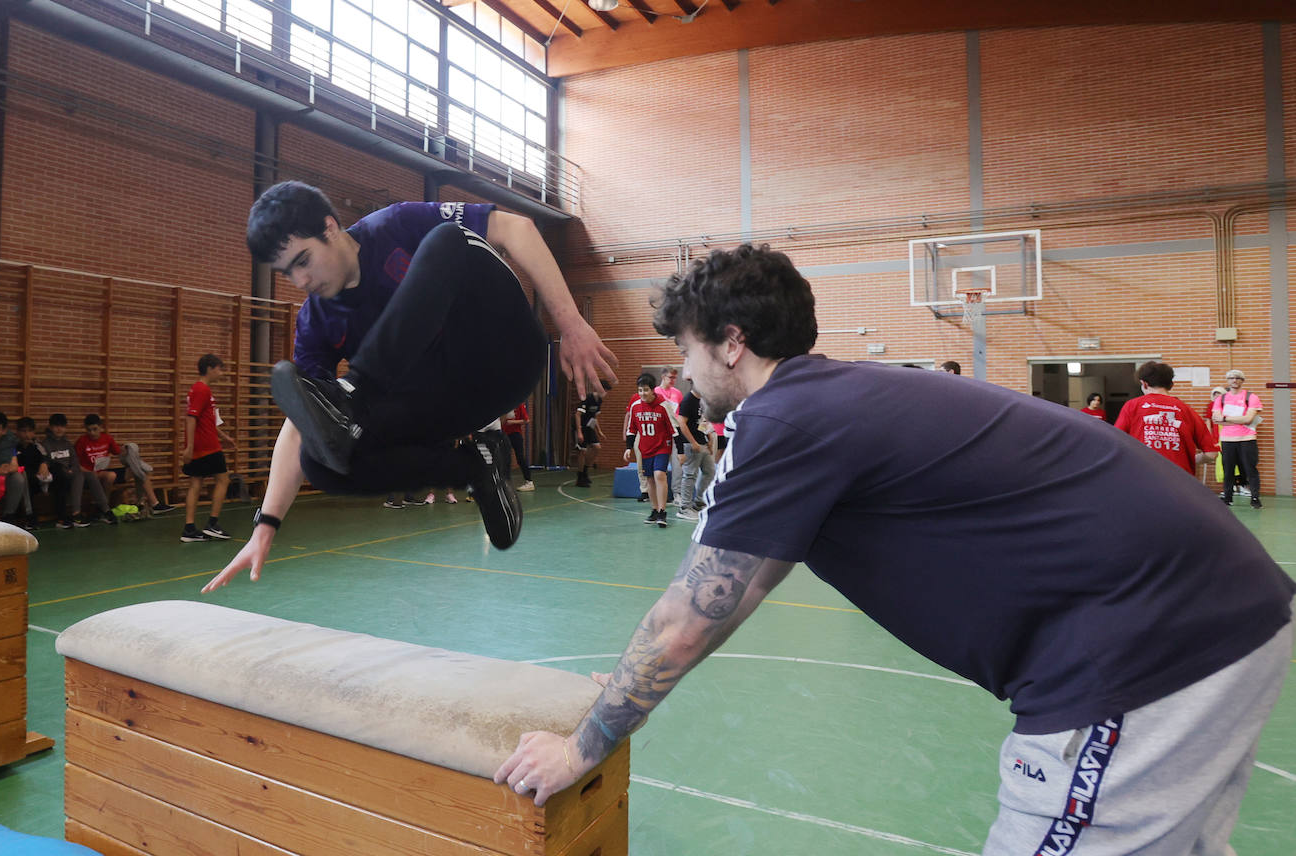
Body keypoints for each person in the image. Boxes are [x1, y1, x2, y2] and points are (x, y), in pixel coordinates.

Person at [493, 244, 1295, 856]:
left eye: (689, 348)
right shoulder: (830, 404)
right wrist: (624, 688)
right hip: (1222, 611)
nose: (684, 368)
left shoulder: (783, 421)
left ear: (731, 343)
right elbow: (735, 590)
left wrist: (584, 743)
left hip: (1147, 647)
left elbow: (687, 619)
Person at [201, 182, 616, 593]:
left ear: (330, 227)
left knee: (446, 238)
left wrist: (571, 324)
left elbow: (517, 228)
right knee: (319, 461)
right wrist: (266, 526)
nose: (299, 280)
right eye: (287, 271)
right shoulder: (315, 322)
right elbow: (302, 420)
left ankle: (355, 395)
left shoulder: (394, 226)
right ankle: (476, 468)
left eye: (303, 260)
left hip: (504, 354)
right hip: (449, 402)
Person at [1113, 362, 1217, 475]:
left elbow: (1115, 442)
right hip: (1179, 479)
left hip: (1142, 475)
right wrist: (1188, 461)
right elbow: (1211, 454)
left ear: (1144, 384)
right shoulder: (1186, 410)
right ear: (1171, 385)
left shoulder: (1132, 406)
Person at [181, 354, 237, 542]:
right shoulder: (202, 389)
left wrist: (224, 436)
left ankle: (189, 529)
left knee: (196, 483)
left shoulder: (201, 390)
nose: (221, 373)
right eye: (219, 369)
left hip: (204, 443)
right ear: (210, 368)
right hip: (207, 446)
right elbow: (191, 418)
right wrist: (189, 447)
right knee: (223, 480)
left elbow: (208, 420)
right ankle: (212, 524)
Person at [623, 373, 673, 528]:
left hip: (662, 447)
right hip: (645, 448)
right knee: (650, 479)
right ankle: (654, 510)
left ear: (653, 390)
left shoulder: (663, 405)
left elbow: (674, 428)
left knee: (659, 475)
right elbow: (632, 429)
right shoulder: (635, 405)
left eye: (645, 390)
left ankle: (663, 512)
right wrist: (628, 448)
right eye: (640, 390)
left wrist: (680, 451)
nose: (642, 393)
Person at [1213, 369, 1263, 508]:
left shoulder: (1251, 397)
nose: (1234, 380)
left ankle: (1255, 498)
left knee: (1250, 469)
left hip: (1247, 439)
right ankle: (1228, 498)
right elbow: (1217, 420)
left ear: (1242, 380)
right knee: (1228, 470)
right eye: (1231, 378)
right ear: (1227, 380)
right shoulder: (1220, 399)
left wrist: (1225, 418)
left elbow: (1248, 419)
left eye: (1237, 378)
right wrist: (1238, 419)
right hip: (1228, 440)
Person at [672, 386, 715, 519]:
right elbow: (681, 422)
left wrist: (709, 437)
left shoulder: (701, 400)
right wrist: (693, 442)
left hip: (702, 441)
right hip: (691, 444)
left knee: (709, 471)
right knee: (690, 474)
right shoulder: (688, 400)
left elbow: (702, 421)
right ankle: (684, 507)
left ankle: (699, 502)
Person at [73, 413, 121, 525]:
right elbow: (75, 463)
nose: (92, 433)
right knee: (93, 476)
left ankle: (104, 506)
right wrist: (86, 470)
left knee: (111, 475)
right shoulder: (82, 441)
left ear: (100, 427)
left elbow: (117, 452)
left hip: (100, 470)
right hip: (86, 472)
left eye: (95, 429)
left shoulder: (107, 438)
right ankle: (101, 507)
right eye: (89, 430)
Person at [41, 414, 86, 529]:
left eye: (62, 426)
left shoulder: (67, 443)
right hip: (55, 475)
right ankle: (62, 516)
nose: (59, 429)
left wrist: (72, 470)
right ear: (50, 427)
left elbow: (75, 461)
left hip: (69, 473)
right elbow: (46, 462)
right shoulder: (45, 444)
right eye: (56, 426)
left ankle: (78, 513)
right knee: (61, 475)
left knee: (85, 475)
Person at [13, 417, 51, 529]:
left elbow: (46, 457)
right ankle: (30, 516)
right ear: (18, 432)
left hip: (36, 476)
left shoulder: (37, 445)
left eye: (30, 431)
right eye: (24, 431)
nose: (27, 435)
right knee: (25, 478)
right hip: (19, 476)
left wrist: (44, 464)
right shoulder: (13, 446)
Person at [572, 387, 606, 488]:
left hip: (590, 428)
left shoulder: (599, 401)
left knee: (597, 448)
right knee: (582, 451)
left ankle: (585, 472)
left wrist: (599, 431)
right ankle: (580, 477)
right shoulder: (587, 398)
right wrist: (579, 432)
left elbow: (594, 417)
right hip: (581, 427)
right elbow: (577, 415)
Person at [502, 401, 535, 492]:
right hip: (504, 435)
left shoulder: (518, 405)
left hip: (515, 434)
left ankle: (529, 481)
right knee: (505, 459)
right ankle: (505, 482)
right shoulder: (504, 405)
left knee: (520, 458)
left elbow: (526, 420)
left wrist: (512, 422)